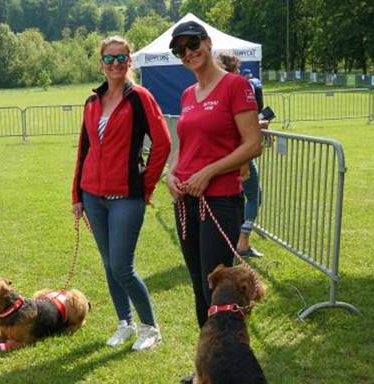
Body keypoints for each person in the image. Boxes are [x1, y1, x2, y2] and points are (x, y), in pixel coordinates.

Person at [72, 36, 172, 351]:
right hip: (93, 196)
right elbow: (84, 149)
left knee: (122, 267)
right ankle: (125, 323)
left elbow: (163, 143)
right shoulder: (91, 102)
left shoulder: (140, 98)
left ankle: (150, 327)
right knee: (108, 264)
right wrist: (76, 194)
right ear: (101, 62)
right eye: (109, 58)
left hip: (126, 196)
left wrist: (146, 184)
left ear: (129, 61)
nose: (115, 64)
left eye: (121, 58)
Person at [166, 22, 262, 335]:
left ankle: (227, 361)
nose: (188, 53)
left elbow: (253, 144)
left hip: (219, 201)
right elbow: (186, 147)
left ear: (207, 43)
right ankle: (207, 362)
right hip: (186, 202)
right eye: (180, 50)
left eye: (192, 44)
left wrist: (208, 172)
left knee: (217, 288)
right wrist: (171, 174)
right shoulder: (186, 94)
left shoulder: (236, 86)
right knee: (199, 283)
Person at [218, 54, 264, 258]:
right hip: (238, 157)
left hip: (222, 157)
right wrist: (258, 125)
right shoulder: (234, 90)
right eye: (236, 70)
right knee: (253, 196)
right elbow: (239, 125)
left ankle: (230, 241)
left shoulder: (212, 91)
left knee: (231, 199)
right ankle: (242, 242)